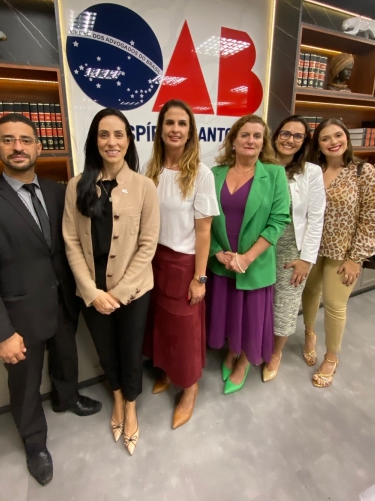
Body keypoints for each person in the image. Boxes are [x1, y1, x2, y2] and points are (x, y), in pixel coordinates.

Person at [0, 113, 101, 486]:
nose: (17, 147)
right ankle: (34, 442)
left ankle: (67, 398)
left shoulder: (58, 192)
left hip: (64, 302)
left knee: (66, 358)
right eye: (8, 140)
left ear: (38, 146)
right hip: (18, 315)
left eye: (25, 140)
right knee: (24, 383)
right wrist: (1, 334)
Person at [63, 108, 159, 455]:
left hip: (133, 291)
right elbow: (71, 241)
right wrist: (91, 292)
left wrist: (119, 293)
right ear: (95, 141)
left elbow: (148, 244)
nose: (111, 142)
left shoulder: (145, 186)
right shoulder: (77, 185)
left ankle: (131, 406)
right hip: (92, 292)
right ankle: (117, 397)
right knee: (106, 350)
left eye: (119, 134)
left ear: (129, 140)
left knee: (130, 350)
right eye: (104, 134)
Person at [144, 100, 219, 429]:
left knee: (185, 331)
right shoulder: (151, 170)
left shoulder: (201, 174)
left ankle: (189, 387)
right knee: (159, 324)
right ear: (160, 130)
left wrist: (200, 278)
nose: (175, 129)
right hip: (153, 260)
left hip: (184, 263)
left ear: (190, 132)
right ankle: (165, 370)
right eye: (170, 123)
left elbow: (204, 231)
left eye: (182, 123)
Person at [302, 118, 375, 387]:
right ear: (318, 144)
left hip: (344, 251)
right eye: (325, 138)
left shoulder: (363, 171)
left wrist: (355, 259)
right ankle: (309, 335)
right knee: (309, 292)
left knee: (335, 305)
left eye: (338, 135)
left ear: (347, 138)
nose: (333, 142)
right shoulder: (312, 170)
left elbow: (371, 217)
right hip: (312, 247)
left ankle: (331, 357)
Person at [206, 114, 290, 394]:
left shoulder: (274, 174)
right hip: (222, 263)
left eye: (257, 136)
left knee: (250, 319)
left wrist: (246, 258)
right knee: (230, 314)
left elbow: (278, 221)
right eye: (244, 135)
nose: (250, 140)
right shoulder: (214, 174)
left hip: (254, 264)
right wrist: (217, 252)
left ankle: (242, 362)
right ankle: (231, 352)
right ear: (233, 140)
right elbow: (203, 218)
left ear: (264, 142)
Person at [263, 116, 325, 382]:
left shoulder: (311, 172)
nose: (290, 140)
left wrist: (306, 260)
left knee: (285, 305)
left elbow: (316, 218)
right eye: (286, 133)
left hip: (292, 249)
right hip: (260, 247)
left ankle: (275, 353)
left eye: (298, 136)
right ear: (276, 135)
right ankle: (252, 346)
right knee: (259, 301)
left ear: (304, 142)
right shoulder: (261, 164)